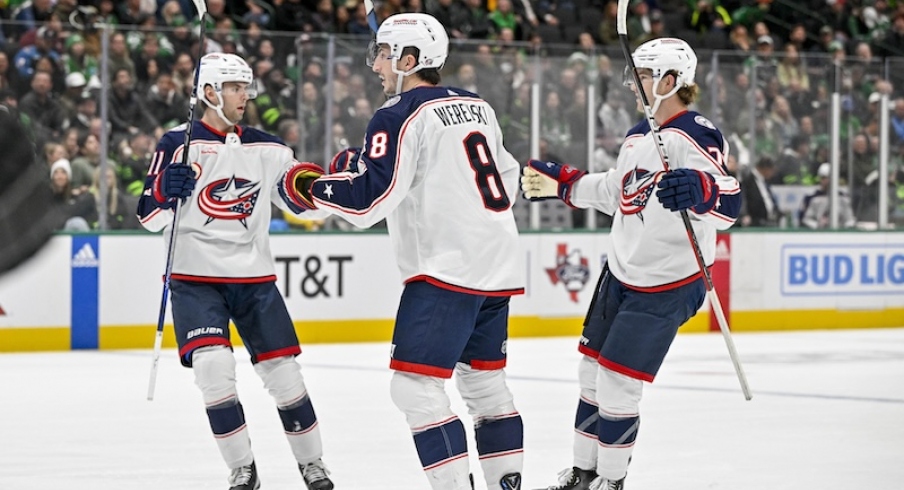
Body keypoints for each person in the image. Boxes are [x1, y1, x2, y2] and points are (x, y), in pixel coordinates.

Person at [308, 13, 525, 490]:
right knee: (484, 385)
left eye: (384, 55)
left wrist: (318, 187)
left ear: (410, 60)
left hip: (446, 269)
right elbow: (506, 181)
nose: (376, 66)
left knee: (413, 387)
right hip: (497, 261)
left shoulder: (398, 113)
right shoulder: (478, 106)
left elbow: (371, 203)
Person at [521, 38, 740, 490]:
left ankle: (611, 481)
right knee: (591, 373)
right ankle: (583, 474)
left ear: (671, 81)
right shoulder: (639, 134)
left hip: (668, 281)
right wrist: (567, 185)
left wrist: (703, 190)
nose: (632, 83)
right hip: (620, 273)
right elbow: (617, 192)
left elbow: (729, 199)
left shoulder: (694, 132)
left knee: (618, 380)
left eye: (642, 75)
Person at [136, 52, 333, 490]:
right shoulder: (175, 143)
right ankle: (242, 469)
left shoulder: (270, 147)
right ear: (209, 93)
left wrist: (330, 185)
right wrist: (165, 191)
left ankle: (313, 464)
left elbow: (301, 200)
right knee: (213, 369)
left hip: (254, 279)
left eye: (246, 87)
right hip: (193, 278)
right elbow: (148, 216)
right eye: (235, 87)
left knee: (285, 376)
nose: (245, 95)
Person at [799, 162, 856, 229]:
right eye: (823, 178)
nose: (827, 181)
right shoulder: (811, 198)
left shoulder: (843, 197)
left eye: (829, 178)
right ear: (819, 179)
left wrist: (843, 228)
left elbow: (850, 219)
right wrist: (817, 226)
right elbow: (805, 219)